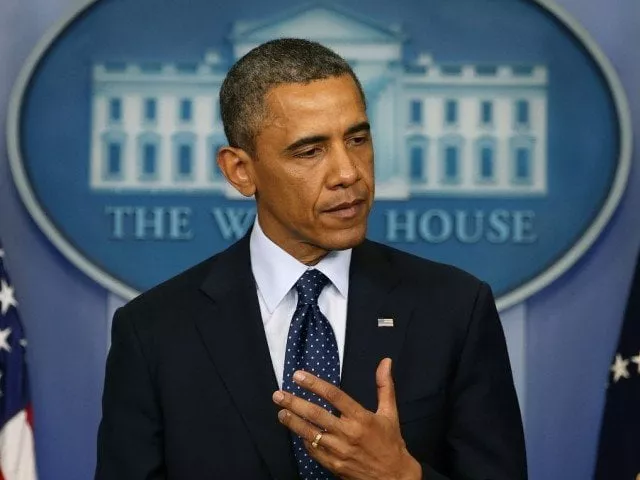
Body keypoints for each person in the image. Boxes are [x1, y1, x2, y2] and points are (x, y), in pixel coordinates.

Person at [95, 38, 527, 480]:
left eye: (357, 139)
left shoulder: (455, 308)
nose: (348, 172)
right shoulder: (153, 332)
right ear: (240, 171)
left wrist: (401, 475)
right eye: (310, 151)